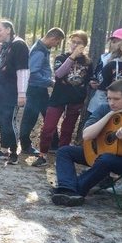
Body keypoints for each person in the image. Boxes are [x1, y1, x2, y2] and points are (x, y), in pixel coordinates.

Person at [52, 79, 122, 207]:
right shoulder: (105, 109)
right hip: (98, 152)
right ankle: (68, 189)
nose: (111, 103)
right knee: (64, 151)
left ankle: (73, 190)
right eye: (109, 98)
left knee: (106, 159)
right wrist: (110, 114)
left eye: (116, 99)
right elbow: (87, 135)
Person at [32, 31, 93, 167]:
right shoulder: (61, 57)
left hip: (76, 100)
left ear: (84, 45)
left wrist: (92, 83)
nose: (75, 45)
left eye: (79, 43)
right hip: (58, 98)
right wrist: (72, 57)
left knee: (67, 130)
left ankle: (62, 156)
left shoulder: (88, 62)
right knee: (48, 127)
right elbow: (59, 74)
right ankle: (42, 155)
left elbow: (88, 80)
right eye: (73, 42)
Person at [0, 19, 30, 164]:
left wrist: (22, 94)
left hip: (12, 92)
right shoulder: (3, 47)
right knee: (1, 120)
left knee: (9, 121)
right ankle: (3, 150)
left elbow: (23, 70)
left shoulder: (19, 45)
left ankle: (13, 152)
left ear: (8, 30)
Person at [19, 27, 65, 155]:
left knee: (49, 115)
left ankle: (54, 144)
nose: (57, 45)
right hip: (34, 89)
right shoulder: (39, 50)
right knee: (30, 117)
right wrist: (50, 82)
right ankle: (25, 145)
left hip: (40, 89)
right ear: (53, 38)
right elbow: (33, 73)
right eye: (57, 42)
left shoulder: (43, 49)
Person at [87, 28, 122, 115]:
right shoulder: (104, 58)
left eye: (118, 41)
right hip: (100, 101)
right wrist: (93, 82)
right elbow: (97, 74)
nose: (115, 45)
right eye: (113, 42)